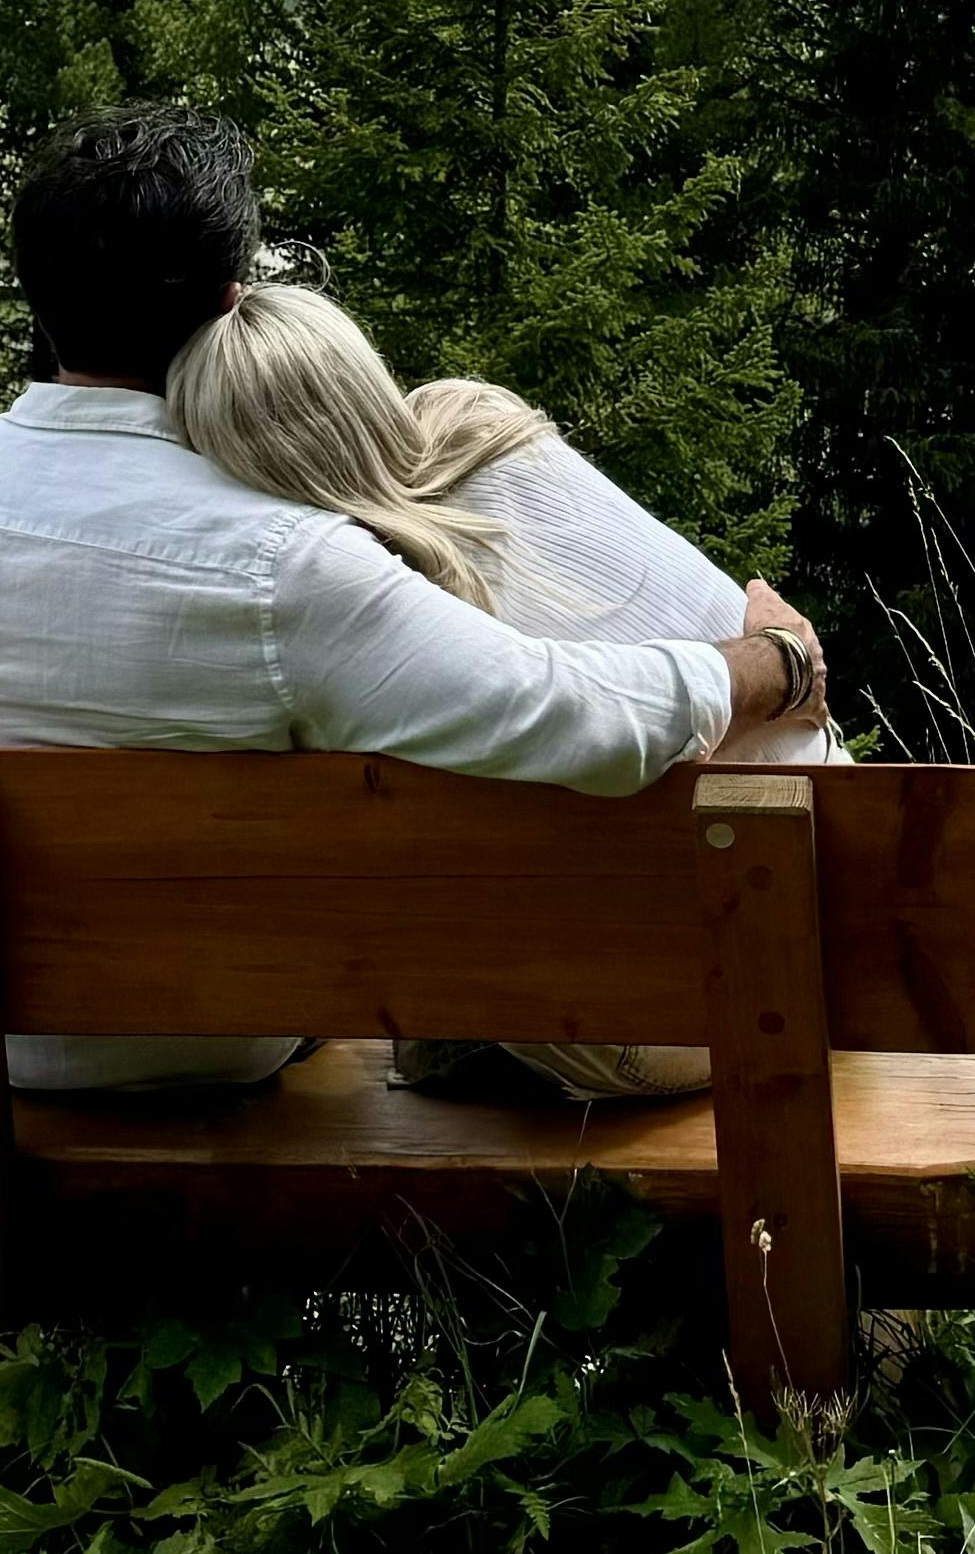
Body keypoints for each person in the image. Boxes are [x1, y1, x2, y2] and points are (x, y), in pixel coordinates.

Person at [0, 101, 829, 1093]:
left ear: (39, 298)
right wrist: (774, 662)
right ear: (231, 305)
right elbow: (575, 719)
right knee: (457, 437)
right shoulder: (283, 561)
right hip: (202, 1037)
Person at [168, 273, 834, 1098]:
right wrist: (781, 663)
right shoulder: (472, 420)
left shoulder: (346, 606)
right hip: (832, 924)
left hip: (654, 1026)